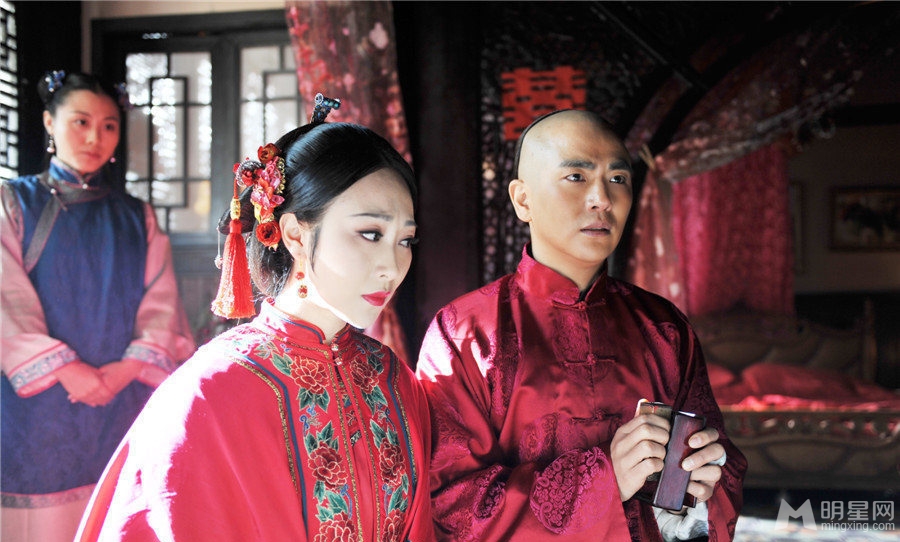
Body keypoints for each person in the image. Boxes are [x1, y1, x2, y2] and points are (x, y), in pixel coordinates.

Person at [75, 99, 434, 541]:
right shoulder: (210, 392)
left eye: (405, 240)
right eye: (371, 234)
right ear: (295, 233)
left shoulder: (393, 378)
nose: (392, 267)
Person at [416, 109, 746, 541]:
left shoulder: (664, 328)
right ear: (523, 200)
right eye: (576, 176)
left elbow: (721, 467)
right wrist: (604, 479)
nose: (603, 199)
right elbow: (450, 502)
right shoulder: (464, 332)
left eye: (618, 179)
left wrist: (705, 480)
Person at [0, 70, 196, 541]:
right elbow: (7, 299)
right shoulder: (14, 202)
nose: (95, 137)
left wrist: (124, 372)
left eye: (109, 126)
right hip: (38, 408)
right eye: (81, 122)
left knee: (115, 513)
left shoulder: (136, 215)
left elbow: (162, 303)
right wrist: (70, 371)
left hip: (121, 399)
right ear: (49, 122)